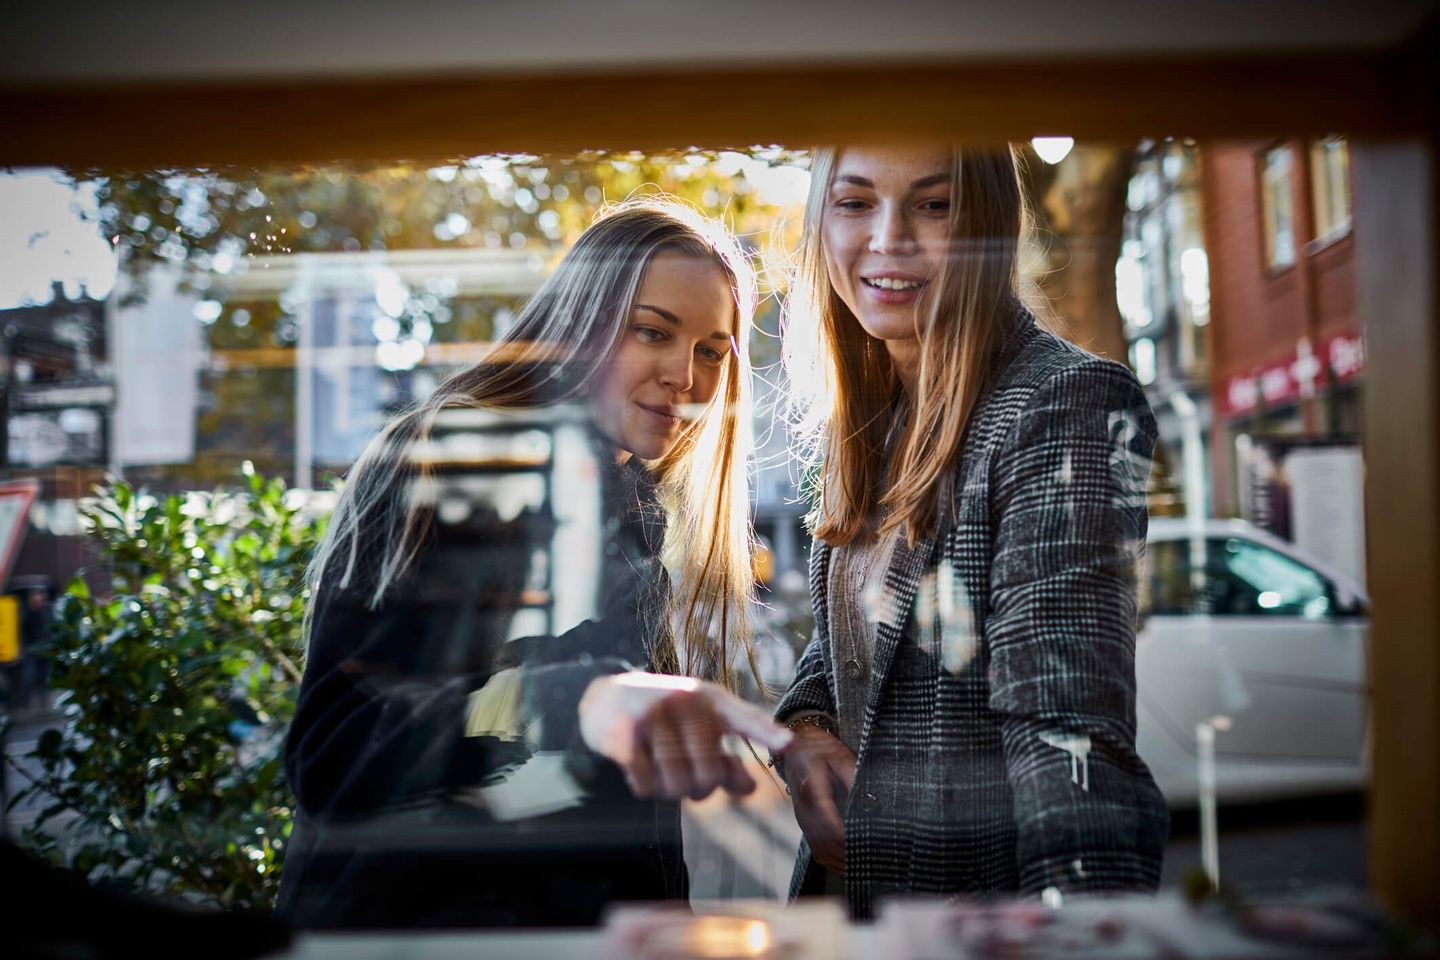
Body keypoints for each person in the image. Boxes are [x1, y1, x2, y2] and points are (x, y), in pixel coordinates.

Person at [278, 199, 788, 928]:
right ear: (578, 327)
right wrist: (575, 701)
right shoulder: (466, 467)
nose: (686, 375)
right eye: (652, 331)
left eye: (712, 351)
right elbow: (339, 750)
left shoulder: (629, 509)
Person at [772, 145, 1169, 919]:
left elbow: (1068, 735)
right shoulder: (873, 419)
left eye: (934, 204)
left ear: (988, 222)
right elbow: (856, 635)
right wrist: (807, 727)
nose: (889, 239)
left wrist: (1084, 934)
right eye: (855, 203)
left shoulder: (1063, 402)